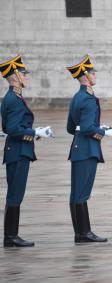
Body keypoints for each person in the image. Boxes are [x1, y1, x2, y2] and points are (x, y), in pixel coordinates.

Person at [66, 54, 112, 242]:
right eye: (93, 72)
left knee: (77, 193)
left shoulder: (76, 97)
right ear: (86, 76)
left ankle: (80, 233)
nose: (95, 75)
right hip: (87, 150)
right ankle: (84, 233)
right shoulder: (88, 99)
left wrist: (98, 129)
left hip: (78, 148)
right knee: (81, 193)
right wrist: (103, 132)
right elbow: (88, 127)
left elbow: (70, 128)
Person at [0, 55, 53, 247]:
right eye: (23, 74)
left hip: (18, 149)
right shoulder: (13, 99)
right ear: (14, 76)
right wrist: (33, 131)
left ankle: (11, 236)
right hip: (18, 151)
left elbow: (10, 127)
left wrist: (35, 133)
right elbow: (12, 129)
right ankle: (11, 237)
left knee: (16, 194)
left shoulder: (14, 97)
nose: (26, 77)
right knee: (15, 194)